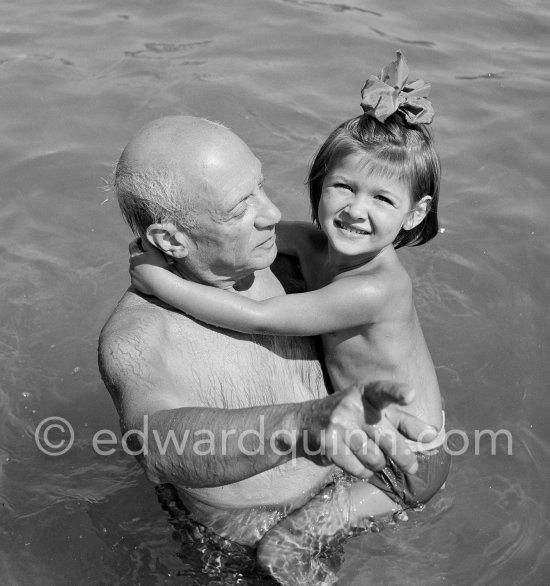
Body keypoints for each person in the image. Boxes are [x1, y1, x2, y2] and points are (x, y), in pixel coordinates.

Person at [128, 52, 451, 584]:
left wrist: (157, 279)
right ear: (321, 182)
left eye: (383, 198)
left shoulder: (374, 287)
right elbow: (247, 244)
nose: (356, 209)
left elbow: (260, 317)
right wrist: (174, 243)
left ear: (415, 214)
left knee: (281, 549)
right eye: (344, 187)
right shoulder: (312, 243)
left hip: (407, 460)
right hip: (370, 434)